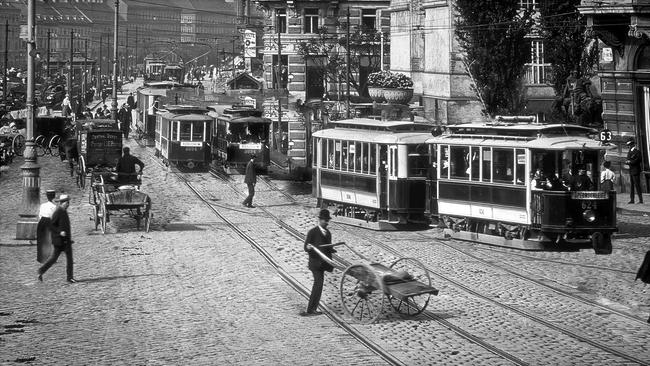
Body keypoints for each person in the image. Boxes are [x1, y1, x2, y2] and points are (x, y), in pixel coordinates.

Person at [301, 209, 336, 316]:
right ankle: (310, 309)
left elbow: (328, 247)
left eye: (327, 220)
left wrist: (333, 249)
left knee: (319, 285)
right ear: (320, 220)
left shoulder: (328, 233)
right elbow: (306, 247)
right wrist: (309, 247)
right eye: (325, 220)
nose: (326, 222)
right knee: (318, 284)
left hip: (323, 264)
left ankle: (312, 308)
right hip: (315, 264)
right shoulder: (312, 232)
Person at [38, 194, 76, 283]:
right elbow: (51, 225)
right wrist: (60, 232)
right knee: (54, 259)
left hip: (66, 241)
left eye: (68, 202)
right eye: (67, 202)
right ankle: (41, 271)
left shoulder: (64, 211)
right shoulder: (58, 212)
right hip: (59, 241)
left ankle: (69, 278)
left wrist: (69, 238)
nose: (68, 204)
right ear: (62, 203)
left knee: (69, 259)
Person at [37, 190, 57, 263]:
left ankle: (40, 257)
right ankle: (48, 257)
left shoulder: (42, 205)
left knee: (41, 239)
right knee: (48, 239)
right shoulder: (54, 207)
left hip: (42, 222)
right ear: (54, 196)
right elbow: (53, 217)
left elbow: (40, 215)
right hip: (49, 222)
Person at [625, 138, 643, 204]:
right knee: (632, 186)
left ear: (632, 144)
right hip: (631, 171)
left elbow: (639, 160)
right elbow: (627, 159)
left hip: (636, 170)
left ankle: (641, 200)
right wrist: (627, 161)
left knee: (637, 185)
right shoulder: (629, 152)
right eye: (628, 145)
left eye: (629, 145)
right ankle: (632, 200)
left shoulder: (637, 151)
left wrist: (630, 161)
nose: (629, 146)